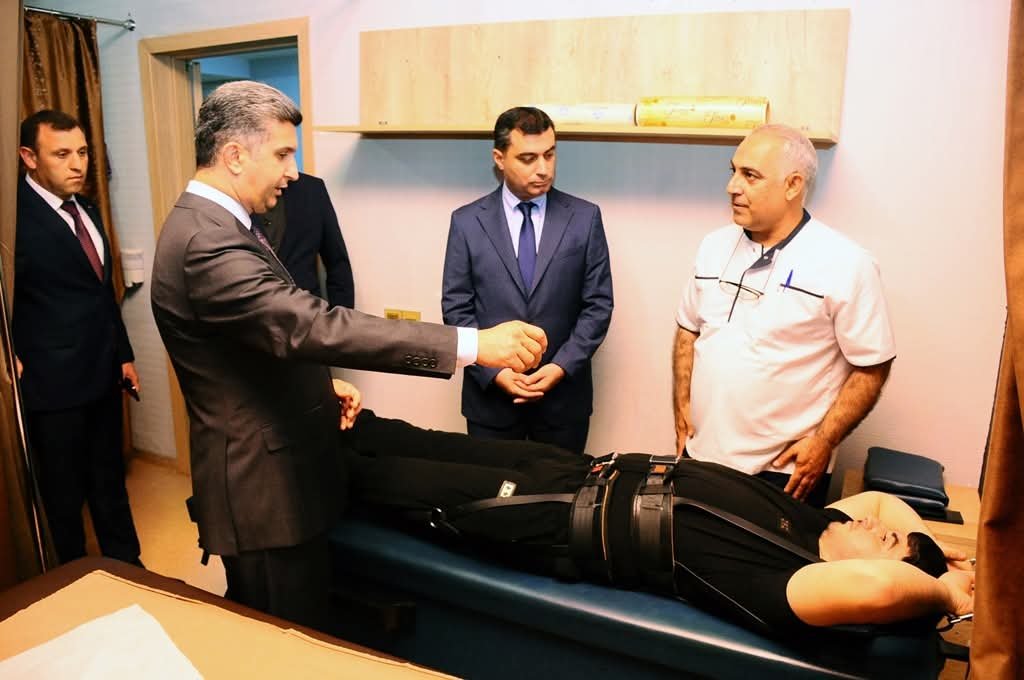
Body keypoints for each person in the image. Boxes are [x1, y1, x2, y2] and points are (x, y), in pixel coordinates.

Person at [150, 81, 547, 628]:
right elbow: (308, 323)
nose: (293, 172)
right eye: (282, 154)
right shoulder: (206, 241)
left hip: (285, 467)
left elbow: (255, 335)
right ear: (235, 155)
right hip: (260, 492)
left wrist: (318, 384)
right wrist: (475, 344)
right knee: (283, 643)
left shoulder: (222, 225)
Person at [338, 403, 973, 635]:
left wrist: (945, 594)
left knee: (385, 479)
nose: (887, 529)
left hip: (554, 517)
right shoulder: (818, 524)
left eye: (894, 546)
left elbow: (882, 587)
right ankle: (332, 419)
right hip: (575, 469)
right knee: (402, 436)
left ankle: (294, 469)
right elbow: (884, 506)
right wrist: (936, 551)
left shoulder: (791, 584)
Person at [673, 124, 895, 507]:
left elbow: (872, 366)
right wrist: (681, 409)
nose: (732, 186)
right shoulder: (712, 246)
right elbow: (688, 329)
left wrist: (824, 441)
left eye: (750, 176)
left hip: (782, 474)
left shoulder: (846, 263)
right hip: (701, 457)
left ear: (793, 185)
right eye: (733, 171)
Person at [442, 106, 613, 454]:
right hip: (490, 404)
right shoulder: (466, 222)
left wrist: (561, 367)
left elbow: (598, 305)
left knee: (562, 487)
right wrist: (495, 373)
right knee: (491, 488)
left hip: (563, 404)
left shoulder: (585, 218)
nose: (543, 168)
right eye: (528, 158)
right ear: (499, 158)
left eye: (550, 154)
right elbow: (456, 308)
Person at [14, 110, 142, 566]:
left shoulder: (86, 208)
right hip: (51, 384)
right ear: (29, 157)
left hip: (103, 373)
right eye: (62, 154)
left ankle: (128, 567)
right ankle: (73, 577)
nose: (77, 164)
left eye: (83, 152)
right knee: (63, 495)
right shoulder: (12, 219)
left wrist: (123, 355)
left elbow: (102, 293)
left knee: (110, 480)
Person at [251, 171, 355, 308]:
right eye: (281, 158)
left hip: (310, 312)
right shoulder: (235, 194)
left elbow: (338, 263)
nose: (292, 169)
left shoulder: (312, 189)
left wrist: (342, 318)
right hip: (251, 314)